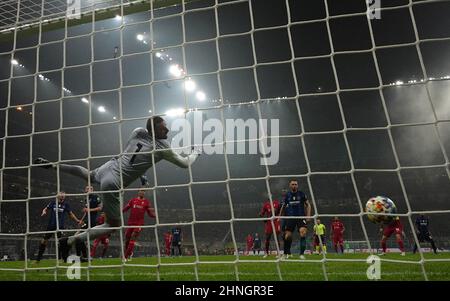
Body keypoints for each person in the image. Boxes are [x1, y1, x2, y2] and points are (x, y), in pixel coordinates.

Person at [34, 116, 200, 262]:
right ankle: (70, 241)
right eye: (164, 127)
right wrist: (195, 153)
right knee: (112, 225)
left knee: (88, 174)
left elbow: (138, 141)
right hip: (114, 181)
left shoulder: (138, 132)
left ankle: (53, 166)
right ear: (155, 129)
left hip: (110, 166)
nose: (168, 129)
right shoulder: (163, 146)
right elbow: (185, 164)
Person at [35, 192, 82, 263]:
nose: (62, 197)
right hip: (51, 225)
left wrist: (77, 220)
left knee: (61, 242)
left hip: (60, 226)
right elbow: (45, 209)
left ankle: (63, 259)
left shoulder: (66, 204)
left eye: (64, 196)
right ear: (58, 196)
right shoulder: (53, 203)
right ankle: (38, 259)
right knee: (44, 241)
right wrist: (44, 211)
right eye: (61, 195)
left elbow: (71, 214)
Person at [279, 179, 311, 260]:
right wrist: (279, 217)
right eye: (292, 184)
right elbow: (283, 206)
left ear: (297, 185)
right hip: (290, 218)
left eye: (295, 184)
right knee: (287, 236)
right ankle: (286, 253)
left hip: (301, 217)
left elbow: (308, 205)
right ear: (290, 185)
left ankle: (301, 254)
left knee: (303, 233)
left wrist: (308, 216)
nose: (294, 186)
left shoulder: (301, 194)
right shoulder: (287, 195)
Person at [122, 189, 156, 260]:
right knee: (127, 239)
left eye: (143, 191)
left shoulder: (146, 202)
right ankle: (130, 253)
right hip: (130, 223)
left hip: (139, 224)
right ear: (138, 192)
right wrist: (120, 212)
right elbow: (126, 208)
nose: (142, 192)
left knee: (133, 237)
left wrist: (155, 215)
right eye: (141, 191)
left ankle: (125, 257)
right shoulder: (133, 200)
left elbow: (150, 213)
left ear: (144, 193)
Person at [76, 186, 102, 259]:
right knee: (80, 238)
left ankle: (83, 256)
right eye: (86, 189)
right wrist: (81, 220)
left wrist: (89, 210)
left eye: (89, 189)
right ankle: (83, 256)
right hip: (86, 220)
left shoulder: (96, 197)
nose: (87, 190)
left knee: (80, 238)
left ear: (92, 190)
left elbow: (100, 208)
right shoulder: (86, 198)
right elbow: (86, 212)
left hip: (92, 221)